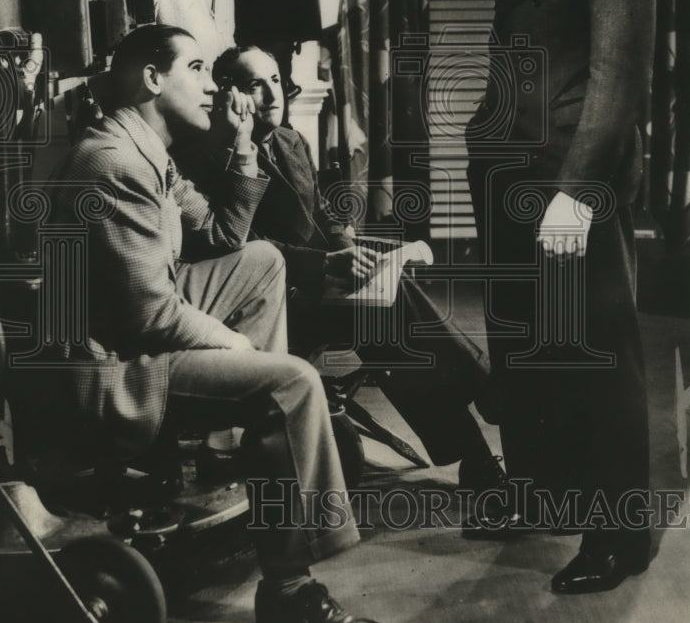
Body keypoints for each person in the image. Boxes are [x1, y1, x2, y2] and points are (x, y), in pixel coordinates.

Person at [37, 24, 386, 623]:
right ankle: (288, 587)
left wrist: (245, 148)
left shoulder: (147, 148)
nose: (213, 85)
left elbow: (224, 238)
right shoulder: (111, 162)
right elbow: (150, 317)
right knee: (294, 381)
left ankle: (244, 444)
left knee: (261, 261)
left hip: (134, 326)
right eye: (197, 69)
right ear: (151, 78)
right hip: (114, 366)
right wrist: (237, 345)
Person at [466, 0, 658, 593]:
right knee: (528, 351)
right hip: (511, 173)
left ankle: (622, 537)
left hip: (566, 181)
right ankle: (545, 493)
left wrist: (577, 193)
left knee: (593, 358)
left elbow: (618, 74)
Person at [209, 44, 516, 531]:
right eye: (253, 84)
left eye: (274, 78)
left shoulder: (290, 141)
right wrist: (326, 263)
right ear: (229, 96)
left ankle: (480, 447)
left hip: (320, 280)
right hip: (274, 302)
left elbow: (324, 212)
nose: (271, 93)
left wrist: (346, 242)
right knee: (389, 316)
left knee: (392, 300)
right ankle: (483, 407)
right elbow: (238, 247)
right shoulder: (217, 156)